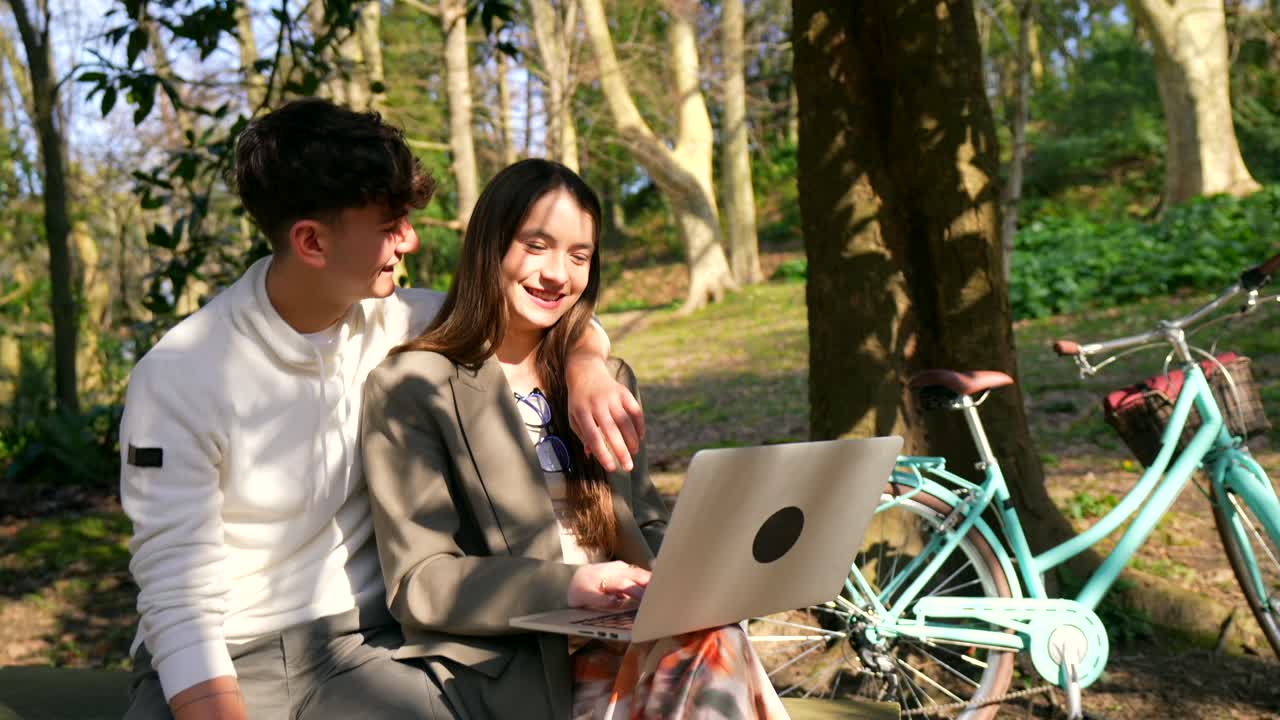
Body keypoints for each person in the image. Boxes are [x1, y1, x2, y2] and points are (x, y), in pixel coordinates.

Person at [119, 100, 645, 720]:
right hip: (221, 664)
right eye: (391, 225)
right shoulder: (181, 375)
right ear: (311, 241)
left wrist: (585, 362)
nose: (411, 239)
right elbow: (177, 598)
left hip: (363, 653)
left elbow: (535, 308)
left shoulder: (405, 321)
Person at [360, 158, 788, 719]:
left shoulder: (603, 383)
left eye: (579, 256)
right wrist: (571, 586)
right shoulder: (414, 388)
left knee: (711, 634)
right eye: (537, 246)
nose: (558, 274)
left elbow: (645, 520)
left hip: (632, 631)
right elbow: (420, 581)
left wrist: (691, 580)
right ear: (490, 245)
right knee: (712, 649)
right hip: (518, 663)